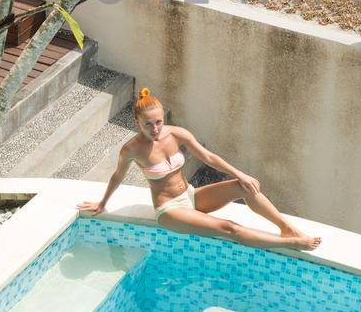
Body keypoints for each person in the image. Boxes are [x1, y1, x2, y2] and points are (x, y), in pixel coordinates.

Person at [79, 88, 321, 250]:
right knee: (228, 228)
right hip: (170, 210)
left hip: (191, 196)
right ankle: (290, 244)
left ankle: (287, 229)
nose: (155, 129)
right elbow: (117, 176)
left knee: (243, 186)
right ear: (137, 123)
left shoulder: (176, 134)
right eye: (148, 124)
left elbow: (208, 156)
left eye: (159, 122)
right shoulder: (131, 149)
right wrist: (102, 203)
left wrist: (240, 174)